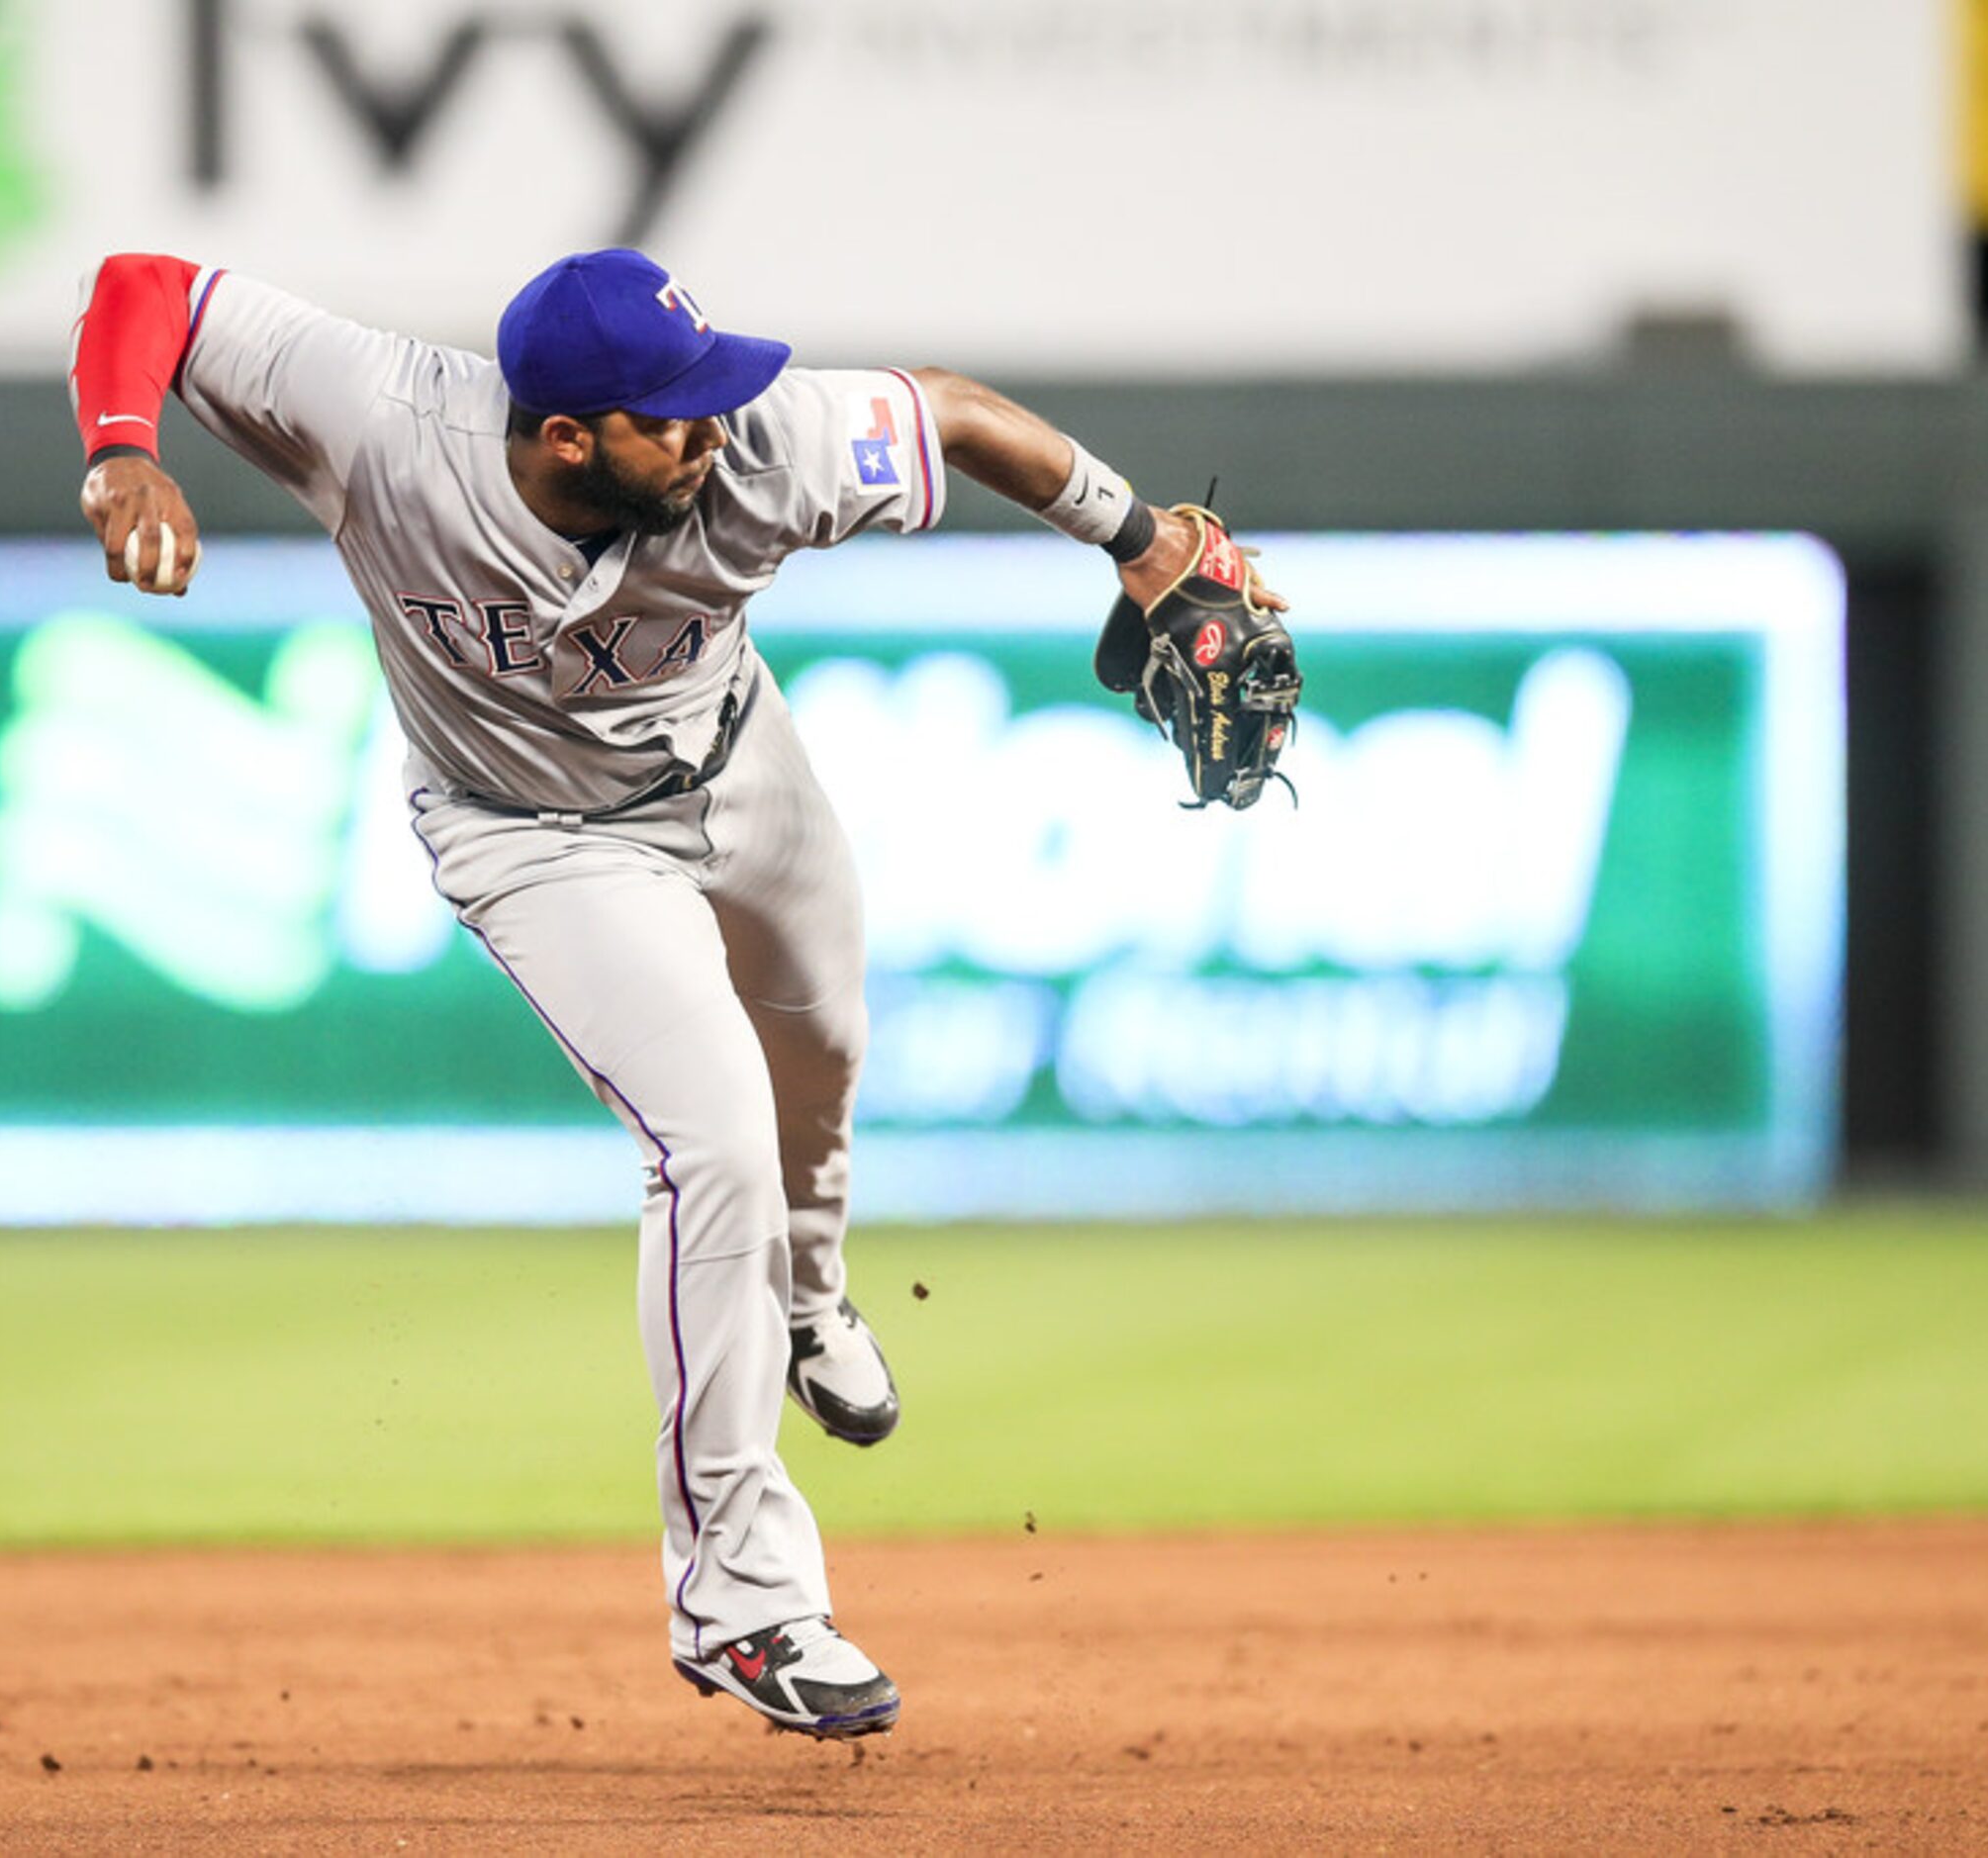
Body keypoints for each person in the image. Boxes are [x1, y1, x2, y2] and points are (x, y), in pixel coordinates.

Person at [65, 246, 1255, 1739]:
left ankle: (810, 1299)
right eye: (671, 417)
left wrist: (1137, 538)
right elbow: (144, 287)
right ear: (566, 435)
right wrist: (122, 454)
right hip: (533, 834)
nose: (712, 430)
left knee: (823, 1050)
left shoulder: (760, 448)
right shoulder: (381, 415)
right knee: (712, 1144)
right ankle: (743, 1600)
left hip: (739, 764)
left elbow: (948, 413)